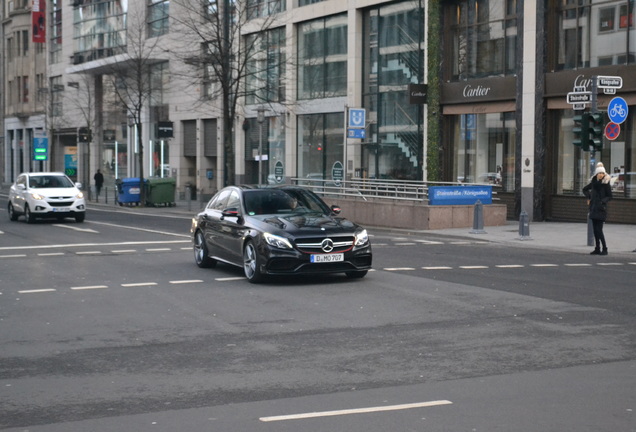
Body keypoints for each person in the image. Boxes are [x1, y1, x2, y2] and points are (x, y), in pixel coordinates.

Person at [583, 163, 612, 255]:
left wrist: (602, 202)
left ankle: (605, 248)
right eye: (599, 173)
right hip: (593, 208)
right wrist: (589, 197)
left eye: (603, 173)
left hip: (601, 209)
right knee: (595, 230)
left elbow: (610, 196)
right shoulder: (594, 183)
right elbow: (584, 189)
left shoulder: (606, 184)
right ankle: (597, 248)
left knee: (599, 230)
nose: (601, 175)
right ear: (596, 174)